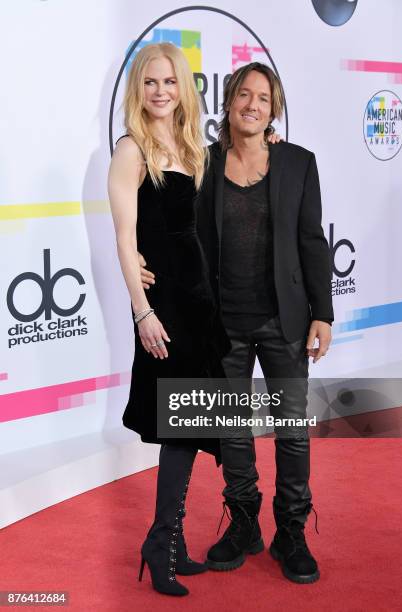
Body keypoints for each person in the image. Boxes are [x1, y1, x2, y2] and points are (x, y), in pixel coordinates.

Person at [141, 62, 333, 584]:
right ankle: (244, 521)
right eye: (244, 94)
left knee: (292, 431)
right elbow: (181, 233)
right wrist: (137, 258)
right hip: (222, 324)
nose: (252, 104)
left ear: (275, 109)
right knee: (233, 433)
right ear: (228, 102)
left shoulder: (298, 164)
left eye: (263, 98)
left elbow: (313, 242)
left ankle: (289, 530)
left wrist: (323, 313)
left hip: (284, 320)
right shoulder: (204, 163)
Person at [108, 42, 230, 597]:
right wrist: (142, 312)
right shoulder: (131, 149)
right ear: (139, 89)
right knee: (180, 428)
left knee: (192, 424)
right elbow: (123, 239)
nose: (161, 92)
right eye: (151, 82)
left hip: (197, 300)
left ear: (184, 89)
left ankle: (168, 542)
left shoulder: (189, 146)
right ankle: (162, 543)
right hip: (164, 311)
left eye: (170, 83)